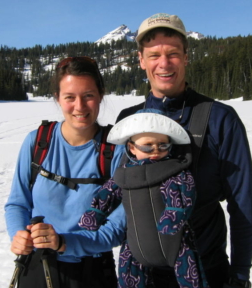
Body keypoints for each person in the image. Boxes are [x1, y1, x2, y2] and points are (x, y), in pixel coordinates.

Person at [116, 13, 252, 288]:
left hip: (205, 272)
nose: (164, 63)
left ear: (186, 56)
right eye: (154, 54)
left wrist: (239, 277)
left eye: (173, 53)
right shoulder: (128, 120)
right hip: (143, 276)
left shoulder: (219, 119)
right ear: (141, 60)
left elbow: (243, 206)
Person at [4, 56, 126, 288]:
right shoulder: (38, 142)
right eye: (70, 97)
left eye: (88, 95)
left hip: (93, 271)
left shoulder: (116, 151)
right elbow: (18, 204)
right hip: (37, 266)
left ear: (100, 95)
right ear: (58, 99)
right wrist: (19, 235)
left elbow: (116, 229)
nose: (79, 106)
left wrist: (63, 242)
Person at [79, 109, 207, 288]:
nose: (155, 151)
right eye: (147, 146)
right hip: (135, 243)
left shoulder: (174, 172)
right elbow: (108, 193)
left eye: (163, 145)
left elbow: (183, 192)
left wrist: (175, 212)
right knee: (130, 275)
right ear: (131, 147)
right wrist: (95, 212)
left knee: (191, 277)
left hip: (176, 244)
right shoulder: (124, 174)